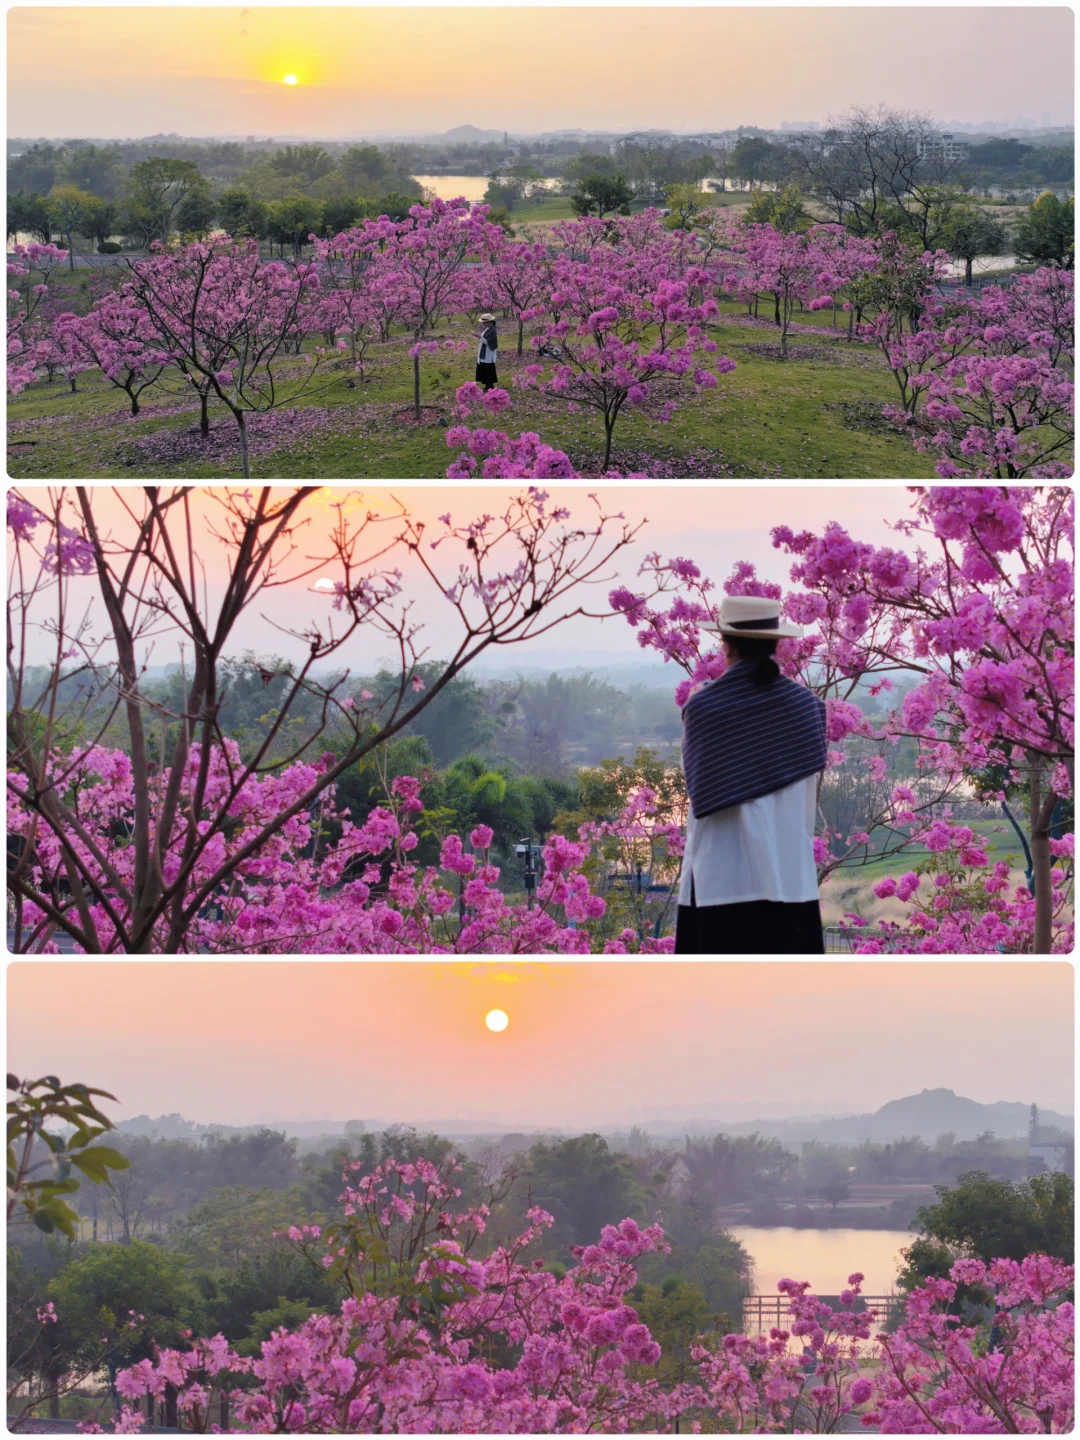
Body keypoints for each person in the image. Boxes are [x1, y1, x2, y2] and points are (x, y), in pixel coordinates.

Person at [676, 594, 828, 955]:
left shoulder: (704, 706)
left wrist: (693, 709)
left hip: (721, 882)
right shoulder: (809, 708)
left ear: (724, 643)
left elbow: (701, 790)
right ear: (775, 644)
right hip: (790, 880)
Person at [476, 313, 499, 390]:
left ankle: (490, 385)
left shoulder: (492, 330)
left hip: (488, 352)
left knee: (488, 369)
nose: (483, 323)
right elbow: (484, 339)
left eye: (484, 322)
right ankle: (487, 385)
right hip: (484, 351)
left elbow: (489, 342)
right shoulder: (487, 328)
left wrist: (479, 337)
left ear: (489, 322)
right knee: (484, 369)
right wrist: (479, 337)